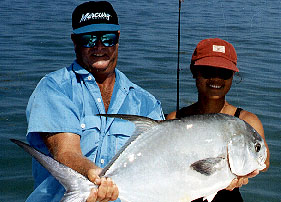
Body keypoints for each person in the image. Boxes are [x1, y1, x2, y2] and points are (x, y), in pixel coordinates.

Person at [25, 1, 164, 202]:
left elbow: (158, 166)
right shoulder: (55, 88)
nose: (99, 47)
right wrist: (94, 176)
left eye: (107, 38)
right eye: (89, 39)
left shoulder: (146, 103)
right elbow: (66, 151)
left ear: (117, 39)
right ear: (75, 41)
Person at [167, 38, 270, 201]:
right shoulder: (174, 119)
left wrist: (243, 174)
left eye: (224, 73)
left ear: (233, 76)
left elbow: (264, 161)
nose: (216, 79)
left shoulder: (247, 120)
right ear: (194, 72)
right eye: (208, 71)